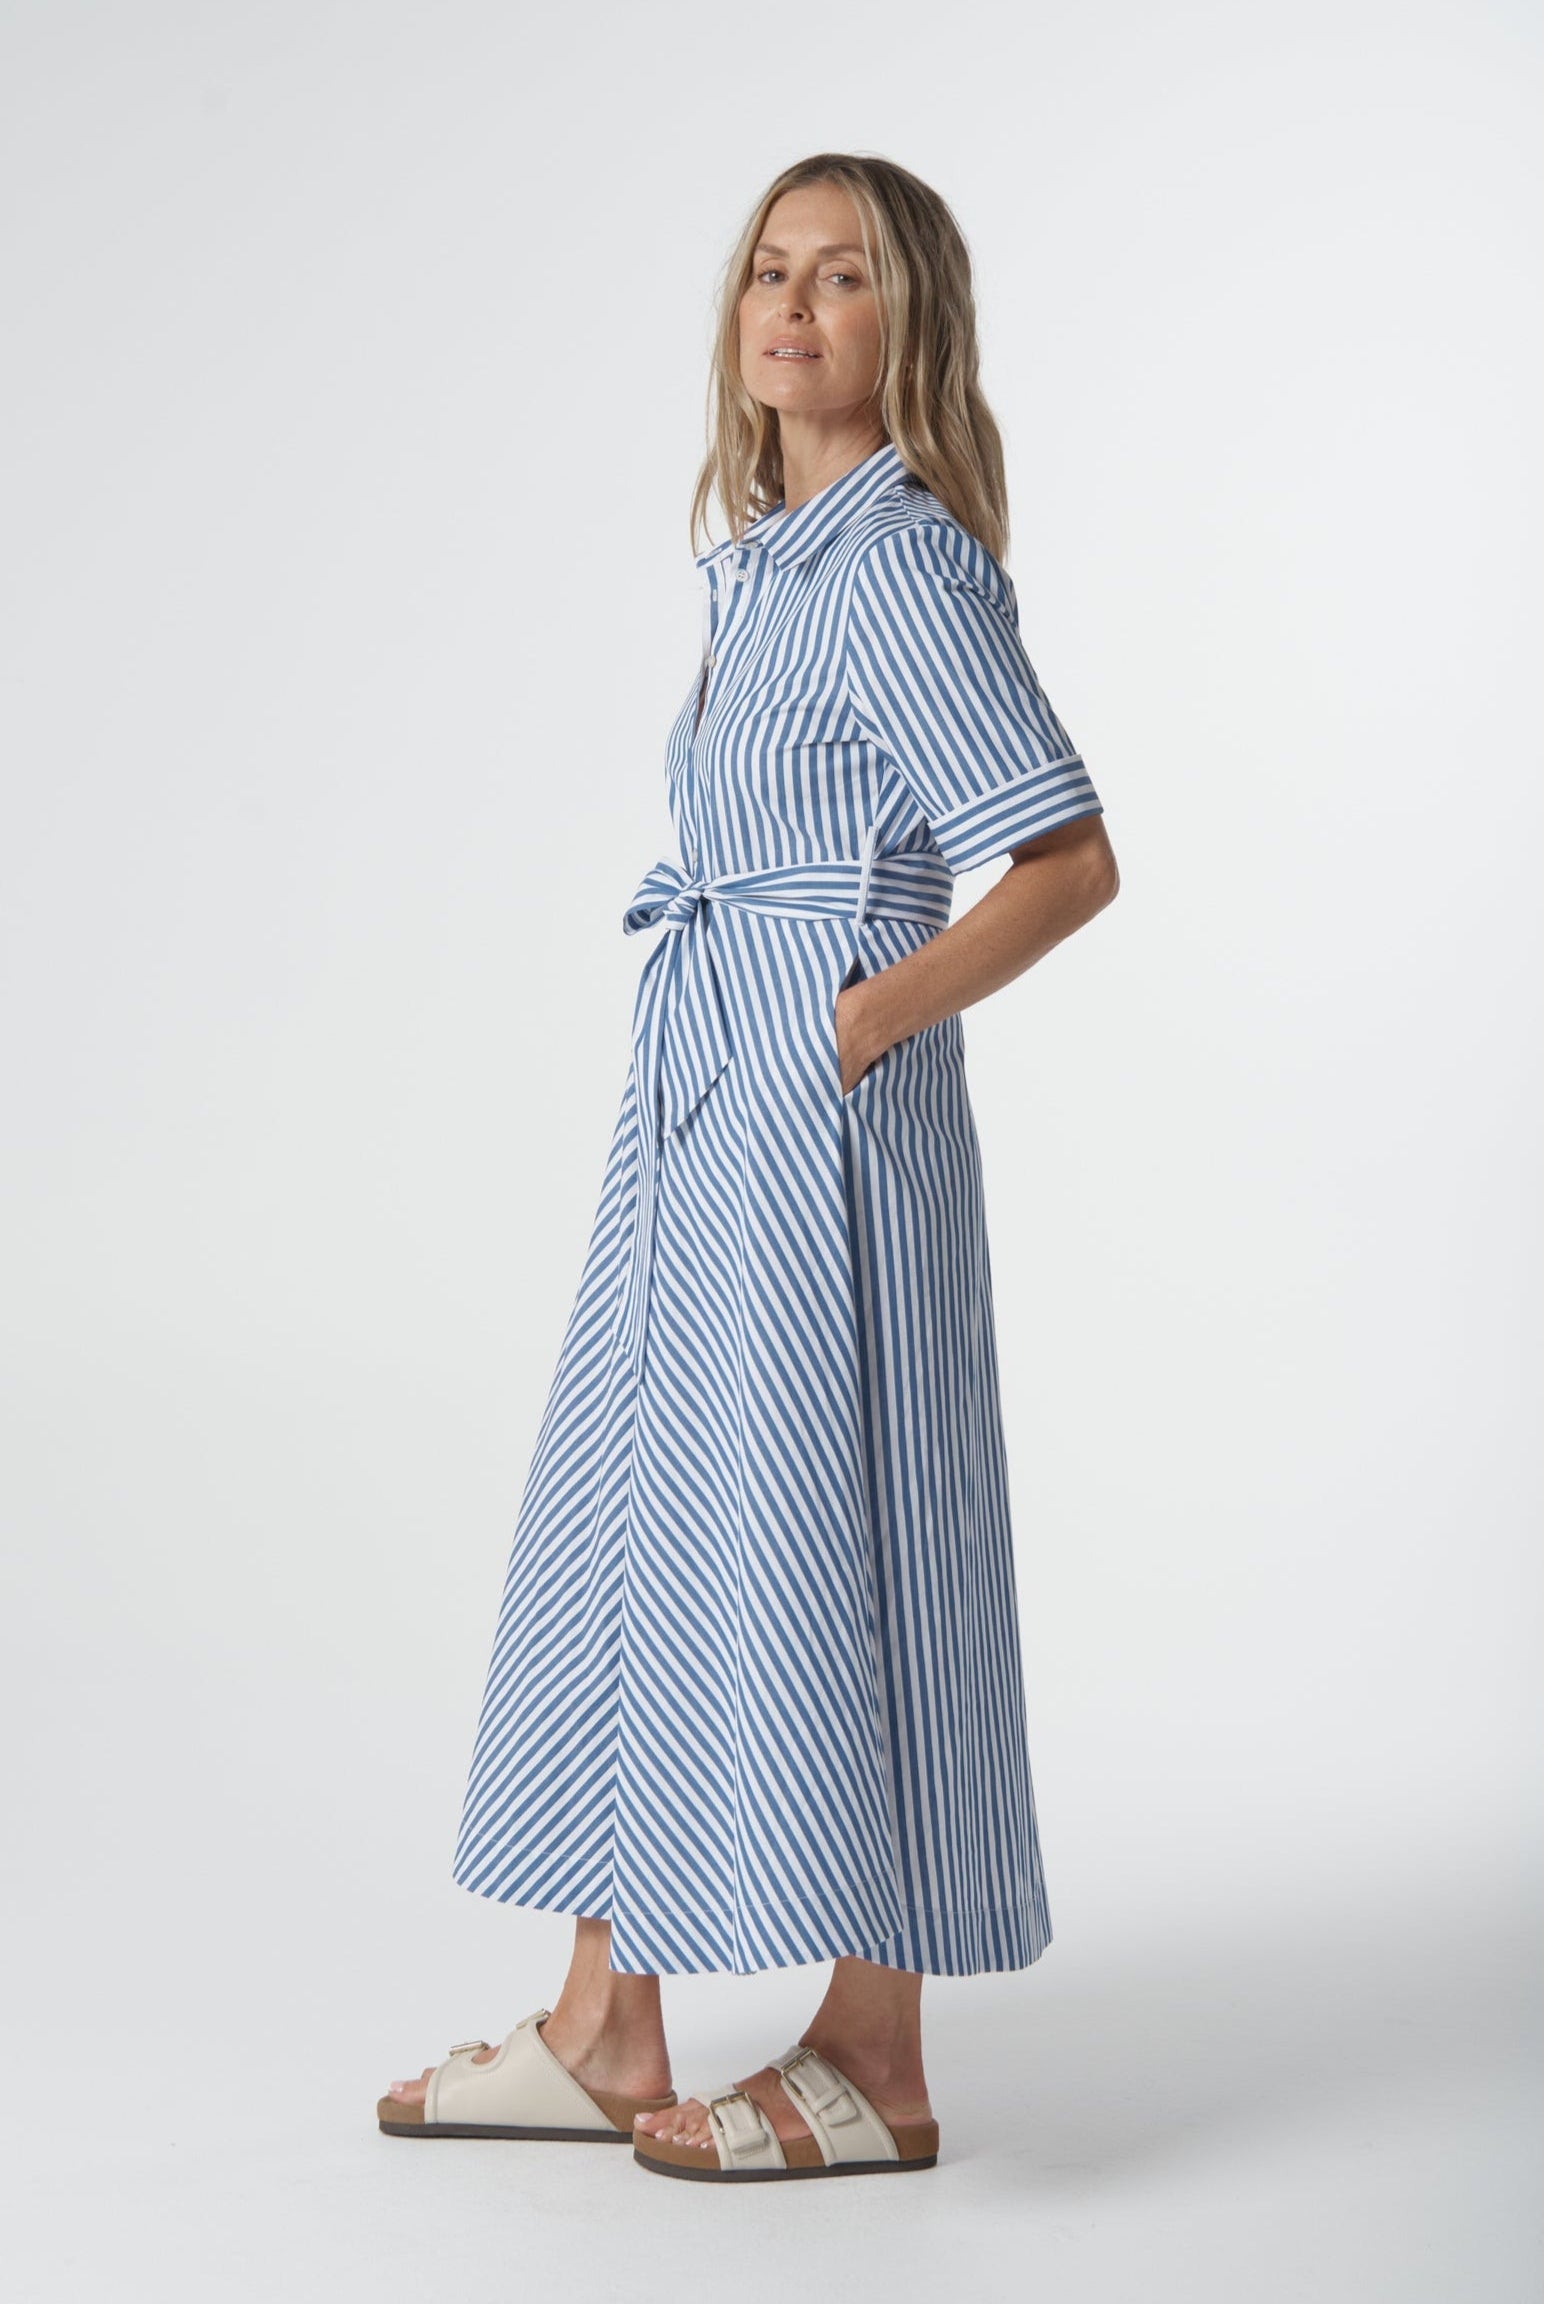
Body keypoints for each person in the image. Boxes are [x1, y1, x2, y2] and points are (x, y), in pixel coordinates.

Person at [378, 152, 1119, 2184]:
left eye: (844, 277)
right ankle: (612, 2020)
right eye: (765, 273)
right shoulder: (772, 560)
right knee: (650, 1514)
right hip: (703, 1094)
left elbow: (1065, 859)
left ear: (910, 326)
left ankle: (873, 2059)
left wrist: (862, 1021)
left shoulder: (901, 563)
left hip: (821, 1122)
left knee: (839, 1527)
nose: (792, 306)